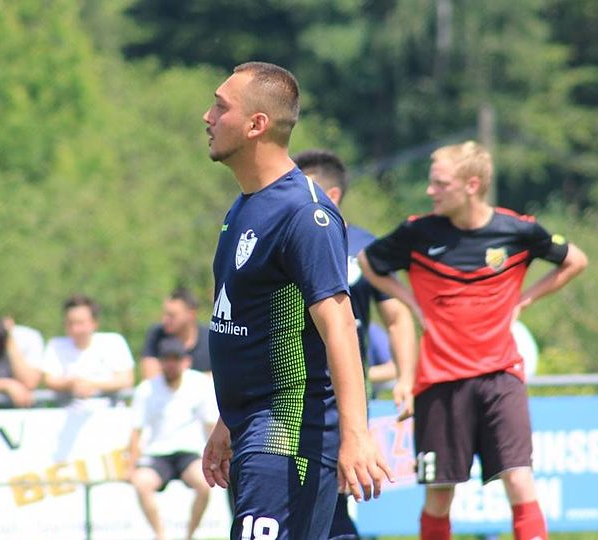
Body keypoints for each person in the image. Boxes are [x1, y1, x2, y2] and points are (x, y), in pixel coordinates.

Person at [201, 61, 393, 540]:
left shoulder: (304, 214)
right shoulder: (245, 205)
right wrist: (227, 419)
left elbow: (339, 326)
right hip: (252, 427)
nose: (208, 116)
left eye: (221, 107)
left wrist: (356, 434)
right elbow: (250, 324)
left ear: (256, 124)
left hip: (289, 433)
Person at [359, 141, 588, 540]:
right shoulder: (418, 232)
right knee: (439, 494)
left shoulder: (517, 230)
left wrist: (525, 299)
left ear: (472, 185)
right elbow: (369, 262)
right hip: (439, 383)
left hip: (501, 377)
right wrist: (411, 301)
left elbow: (576, 261)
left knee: (519, 479)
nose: (430, 191)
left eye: (440, 183)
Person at [294, 148, 417, 540]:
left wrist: (406, 377)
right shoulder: (286, 237)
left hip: (341, 393)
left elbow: (397, 316)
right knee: (289, 498)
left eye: (303, 187)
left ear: (331, 195)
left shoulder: (365, 248)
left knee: (334, 496)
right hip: (286, 390)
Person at [128, 337, 218, 540]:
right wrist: (130, 466)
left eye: (175, 359)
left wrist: (216, 456)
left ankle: (189, 535)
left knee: (204, 485)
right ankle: (161, 535)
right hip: (158, 453)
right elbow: (136, 430)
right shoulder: (146, 389)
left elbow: (210, 425)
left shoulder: (199, 384)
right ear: (160, 362)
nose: (170, 364)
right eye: (166, 359)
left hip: (189, 452)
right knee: (141, 483)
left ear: (185, 361)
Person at [40, 295, 135, 409]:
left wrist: (92, 385)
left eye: (80, 323)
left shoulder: (113, 342)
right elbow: (50, 380)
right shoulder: (55, 345)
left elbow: (126, 380)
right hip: (70, 413)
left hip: (111, 413)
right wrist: (71, 384)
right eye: (70, 323)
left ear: (95, 323)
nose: (75, 329)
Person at [140, 287, 211, 379]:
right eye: (165, 314)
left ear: (191, 315)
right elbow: (150, 376)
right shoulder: (156, 335)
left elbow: (220, 376)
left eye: (172, 315)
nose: (165, 319)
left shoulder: (210, 339)